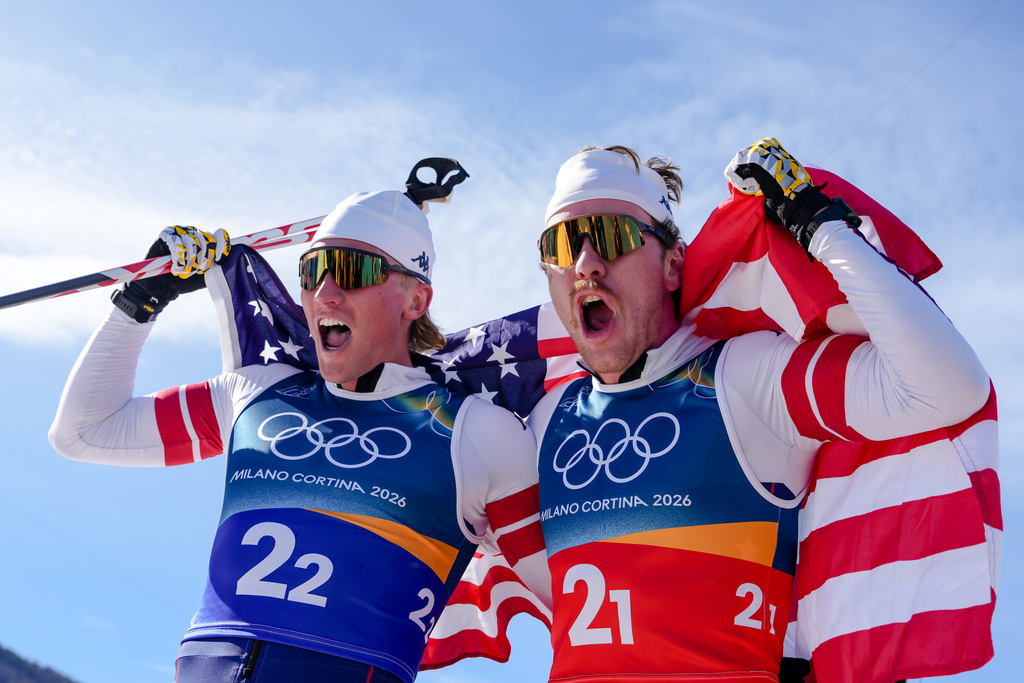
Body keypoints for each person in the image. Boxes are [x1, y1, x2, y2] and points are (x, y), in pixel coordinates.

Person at [525, 139, 991, 682]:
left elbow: (949, 389)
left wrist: (820, 223)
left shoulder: (743, 379)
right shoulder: (544, 421)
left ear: (673, 265)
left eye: (612, 235)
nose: (586, 264)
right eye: (561, 245)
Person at [49, 187, 550, 682]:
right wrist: (141, 298)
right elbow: (84, 431)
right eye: (312, 271)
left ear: (416, 299)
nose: (326, 293)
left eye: (354, 271)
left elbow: (568, 591)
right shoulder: (256, 391)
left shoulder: (476, 432)